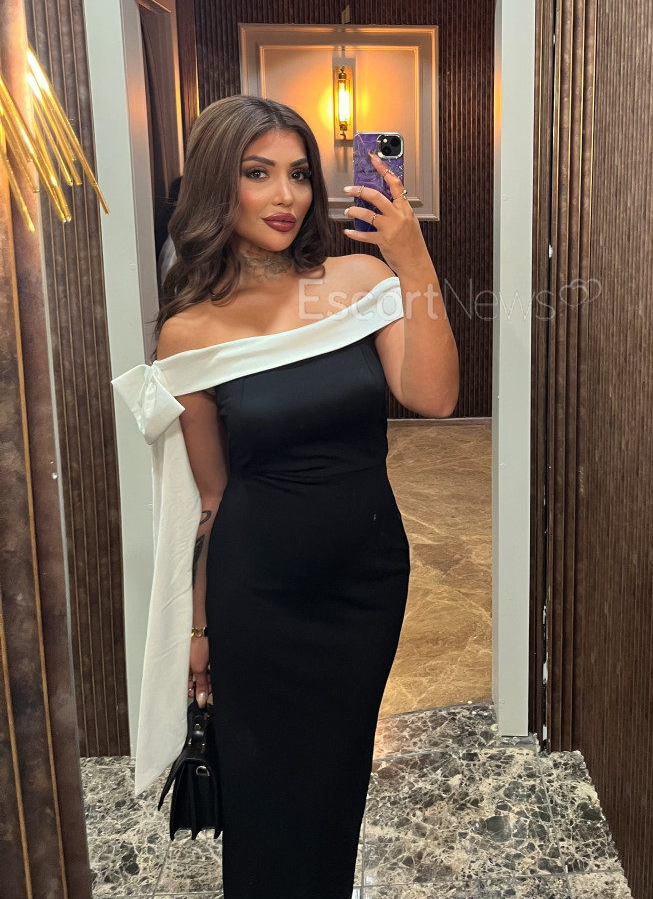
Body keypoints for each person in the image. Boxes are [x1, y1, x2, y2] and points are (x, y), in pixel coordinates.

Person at [115, 94, 459, 898]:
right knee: (265, 796)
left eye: (299, 174)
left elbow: (434, 395)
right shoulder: (189, 330)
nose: (285, 196)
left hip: (365, 582)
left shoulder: (361, 278)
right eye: (258, 173)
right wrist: (200, 627)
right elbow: (212, 494)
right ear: (218, 185)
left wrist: (413, 258)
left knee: (335, 788)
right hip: (258, 594)